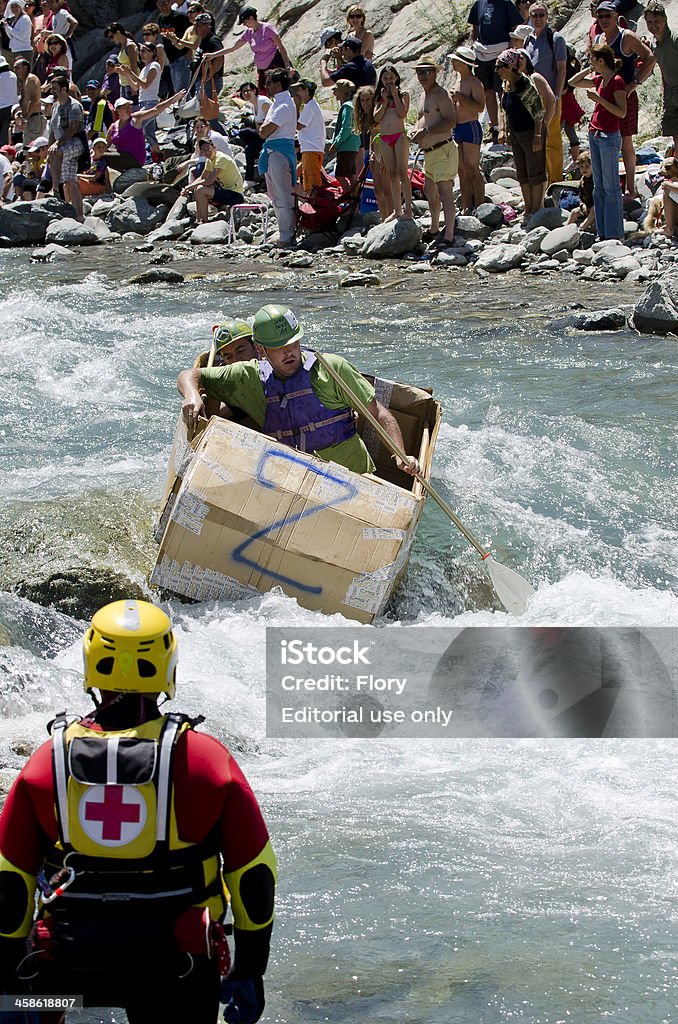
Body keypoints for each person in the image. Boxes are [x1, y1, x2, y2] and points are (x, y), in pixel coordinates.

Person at [0, 598, 276, 1024]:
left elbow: (9, 880)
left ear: (91, 664)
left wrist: (9, 986)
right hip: (174, 970)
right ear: (169, 667)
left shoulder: (46, 761)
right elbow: (254, 874)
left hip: (66, 971)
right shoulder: (203, 759)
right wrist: (250, 970)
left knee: (38, 1003)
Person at [178, 303, 421, 476]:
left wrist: (399, 454)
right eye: (278, 348)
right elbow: (191, 375)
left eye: (293, 343)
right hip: (290, 478)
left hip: (352, 476)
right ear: (262, 351)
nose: (289, 352)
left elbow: (379, 413)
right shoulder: (249, 375)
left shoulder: (332, 368)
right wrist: (191, 395)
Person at [593, 0, 654, 198]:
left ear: (615, 15)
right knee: (607, 139)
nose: (603, 20)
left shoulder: (626, 36)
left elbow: (649, 57)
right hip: (605, 96)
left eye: (607, 16)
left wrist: (635, 82)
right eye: (600, 16)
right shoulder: (599, 39)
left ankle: (630, 188)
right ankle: (611, 185)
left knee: (626, 142)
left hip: (624, 94)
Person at [569, 41, 626, 239]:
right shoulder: (599, 79)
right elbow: (573, 82)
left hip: (609, 136)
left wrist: (599, 100)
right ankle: (603, 232)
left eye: (593, 59)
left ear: (602, 60)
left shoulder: (617, 81)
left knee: (611, 188)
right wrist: (589, 68)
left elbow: (621, 111)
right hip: (595, 134)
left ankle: (615, 233)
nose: (591, 62)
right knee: (599, 187)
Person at [410, 56, 458, 250]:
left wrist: (427, 131)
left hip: (443, 148)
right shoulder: (423, 95)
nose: (423, 75)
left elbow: (450, 120)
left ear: (435, 73)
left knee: (445, 193)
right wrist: (414, 130)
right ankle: (435, 227)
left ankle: (449, 235)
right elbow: (422, 119)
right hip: (428, 152)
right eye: (420, 72)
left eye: (427, 71)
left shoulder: (441, 94)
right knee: (429, 191)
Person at [496, 48, 546, 223]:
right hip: (516, 132)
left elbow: (539, 112)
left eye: (500, 67)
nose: (498, 71)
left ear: (510, 66)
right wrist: (507, 132)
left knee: (535, 170)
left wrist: (538, 135)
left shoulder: (525, 85)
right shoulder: (506, 85)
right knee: (522, 171)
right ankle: (528, 207)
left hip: (531, 132)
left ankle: (536, 207)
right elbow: (505, 110)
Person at [468, 0, 523, 144]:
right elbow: (474, 27)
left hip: (501, 53)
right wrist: (474, 44)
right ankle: (495, 128)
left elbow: (515, 27)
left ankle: (507, 128)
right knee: (488, 92)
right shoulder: (479, 3)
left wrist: (510, 50)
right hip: (482, 54)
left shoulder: (505, 3)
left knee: (503, 92)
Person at [524, 2, 567, 184]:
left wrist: (556, 97)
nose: (538, 18)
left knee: (552, 141)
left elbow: (562, 69)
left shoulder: (555, 39)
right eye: (534, 15)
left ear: (547, 17)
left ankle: (555, 182)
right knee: (536, 139)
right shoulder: (528, 40)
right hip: (531, 98)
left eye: (541, 15)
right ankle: (542, 180)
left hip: (550, 97)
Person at [209, 6, 291, 95]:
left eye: (245, 21)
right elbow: (233, 48)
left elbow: (281, 47)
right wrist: (213, 55)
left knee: (279, 91)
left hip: (275, 64)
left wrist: (287, 66)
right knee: (263, 94)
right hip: (262, 69)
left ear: (251, 18)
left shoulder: (267, 28)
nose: (244, 25)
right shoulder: (248, 33)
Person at [258, 66, 296, 248]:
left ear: (278, 85)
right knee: (274, 195)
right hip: (272, 151)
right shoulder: (277, 103)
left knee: (283, 195)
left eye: (269, 82)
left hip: (280, 152)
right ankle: (283, 231)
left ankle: (287, 235)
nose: (266, 85)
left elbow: (265, 130)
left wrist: (263, 129)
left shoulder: (284, 104)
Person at [106, 90, 184, 170]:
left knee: (103, 156)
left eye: (129, 106)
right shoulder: (113, 127)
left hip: (135, 159)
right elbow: (104, 145)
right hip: (122, 157)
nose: (128, 109)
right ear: (117, 110)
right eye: (124, 107)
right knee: (100, 154)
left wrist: (174, 98)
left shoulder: (136, 119)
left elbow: (156, 110)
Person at [373, 63, 412, 220]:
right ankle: (397, 209)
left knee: (403, 173)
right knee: (392, 174)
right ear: (381, 80)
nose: (389, 81)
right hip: (385, 138)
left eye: (391, 78)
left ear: (396, 78)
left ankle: (408, 209)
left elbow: (402, 113)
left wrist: (395, 95)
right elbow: (376, 118)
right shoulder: (379, 98)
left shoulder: (404, 94)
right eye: (385, 78)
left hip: (399, 136)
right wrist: (384, 101)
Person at [450, 45, 485, 214]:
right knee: (461, 169)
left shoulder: (474, 82)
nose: (452, 63)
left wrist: (461, 98)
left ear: (464, 63)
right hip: (457, 128)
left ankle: (479, 205)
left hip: (470, 126)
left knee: (472, 167)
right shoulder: (458, 81)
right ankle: (466, 205)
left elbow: (480, 106)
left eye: (455, 60)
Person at [47, 72, 86, 220]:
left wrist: (57, 144)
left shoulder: (75, 106)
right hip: (61, 145)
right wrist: (51, 145)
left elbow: (73, 128)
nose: (53, 91)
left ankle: (56, 190)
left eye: (55, 88)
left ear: (64, 89)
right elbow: (52, 130)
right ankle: (79, 216)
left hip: (75, 143)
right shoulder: (55, 107)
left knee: (56, 153)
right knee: (70, 181)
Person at [181, 136, 244, 221]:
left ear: (214, 147)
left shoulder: (221, 159)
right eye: (203, 150)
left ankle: (204, 221)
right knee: (197, 188)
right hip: (226, 191)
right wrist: (189, 187)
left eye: (208, 149)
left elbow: (209, 181)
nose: (207, 152)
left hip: (236, 195)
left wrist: (189, 187)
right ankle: (199, 219)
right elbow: (202, 177)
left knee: (201, 190)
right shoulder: (210, 160)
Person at [644, 1, 678, 158]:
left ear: (665, 19)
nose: (653, 26)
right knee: (675, 135)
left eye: (656, 21)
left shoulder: (675, 39)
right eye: (649, 22)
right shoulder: (655, 44)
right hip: (670, 95)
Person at [354, 83, 393, 219]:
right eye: (362, 100)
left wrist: (384, 155)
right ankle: (384, 218)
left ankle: (392, 216)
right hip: (374, 154)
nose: (365, 104)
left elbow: (386, 134)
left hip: (385, 153)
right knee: (378, 191)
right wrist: (371, 152)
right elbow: (372, 136)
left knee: (388, 190)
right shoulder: (366, 117)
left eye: (368, 100)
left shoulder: (379, 113)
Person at [118, 41, 163, 158]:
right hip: (144, 102)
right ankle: (157, 158)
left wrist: (131, 72)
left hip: (151, 103)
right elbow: (136, 87)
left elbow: (145, 84)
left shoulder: (154, 66)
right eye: (141, 51)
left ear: (153, 53)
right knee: (149, 134)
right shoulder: (145, 69)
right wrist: (126, 74)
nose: (141, 54)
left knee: (137, 127)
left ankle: (133, 155)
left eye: (144, 51)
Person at [191, 11, 225, 135]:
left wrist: (209, 76)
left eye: (198, 26)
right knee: (205, 114)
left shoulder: (212, 40)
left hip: (211, 82)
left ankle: (222, 137)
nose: (195, 28)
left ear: (207, 25)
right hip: (203, 81)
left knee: (209, 116)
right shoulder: (203, 41)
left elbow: (220, 57)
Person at [291, 78, 325, 194]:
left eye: (299, 90)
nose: (297, 93)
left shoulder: (310, 107)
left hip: (311, 149)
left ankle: (313, 206)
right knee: (310, 179)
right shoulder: (312, 106)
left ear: (306, 90)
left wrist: (296, 105)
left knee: (311, 184)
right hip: (312, 148)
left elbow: (298, 125)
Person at [154, 0, 191, 93]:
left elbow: (191, 33)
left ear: (170, 3)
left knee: (182, 90)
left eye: (165, 3)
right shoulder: (160, 18)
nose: (163, 7)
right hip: (171, 58)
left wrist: (190, 51)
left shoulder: (180, 17)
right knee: (176, 89)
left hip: (182, 55)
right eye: (160, 4)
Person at [328, 77, 359, 181]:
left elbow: (346, 128)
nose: (334, 93)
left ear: (342, 92)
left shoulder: (346, 106)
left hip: (346, 146)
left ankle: (348, 196)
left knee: (340, 176)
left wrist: (336, 144)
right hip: (353, 145)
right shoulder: (353, 105)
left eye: (335, 90)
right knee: (351, 175)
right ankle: (354, 195)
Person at [14, 57, 46, 144]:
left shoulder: (31, 79)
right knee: (26, 149)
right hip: (29, 120)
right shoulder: (23, 82)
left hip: (34, 119)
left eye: (17, 67)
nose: (15, 70)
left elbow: (35, 100)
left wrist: (26, 118)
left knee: (31, 149)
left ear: (25, 68)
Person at [104, 23, 139, 101]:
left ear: (118, 32)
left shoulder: (129, 46)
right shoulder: (123, 45)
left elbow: (134, 66)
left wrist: (133, 86)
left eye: (112, 36)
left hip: (130, 83)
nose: (112, 40)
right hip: (123, 82)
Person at [566, 148, 594, 229]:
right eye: (581, 167)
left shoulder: (596, 180)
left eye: (587, 166)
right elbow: (581, 196)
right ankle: (566, 228)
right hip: (586, 207)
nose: (584, 169)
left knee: (594, 210)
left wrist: (591, 206)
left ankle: (582, 227)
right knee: (574, 212)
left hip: (596, 207)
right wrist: (583, 206)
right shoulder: (582, 181)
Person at [1, 0, 32, 65]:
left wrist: (8, 27)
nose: (14, 9)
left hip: (24, 50)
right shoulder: (14, 19)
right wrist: (6, 27)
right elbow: (11, 36)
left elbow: (21, 36)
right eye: (12, 7)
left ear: (20, 7)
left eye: (16, 6)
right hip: (15, 50)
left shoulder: (25, 18)